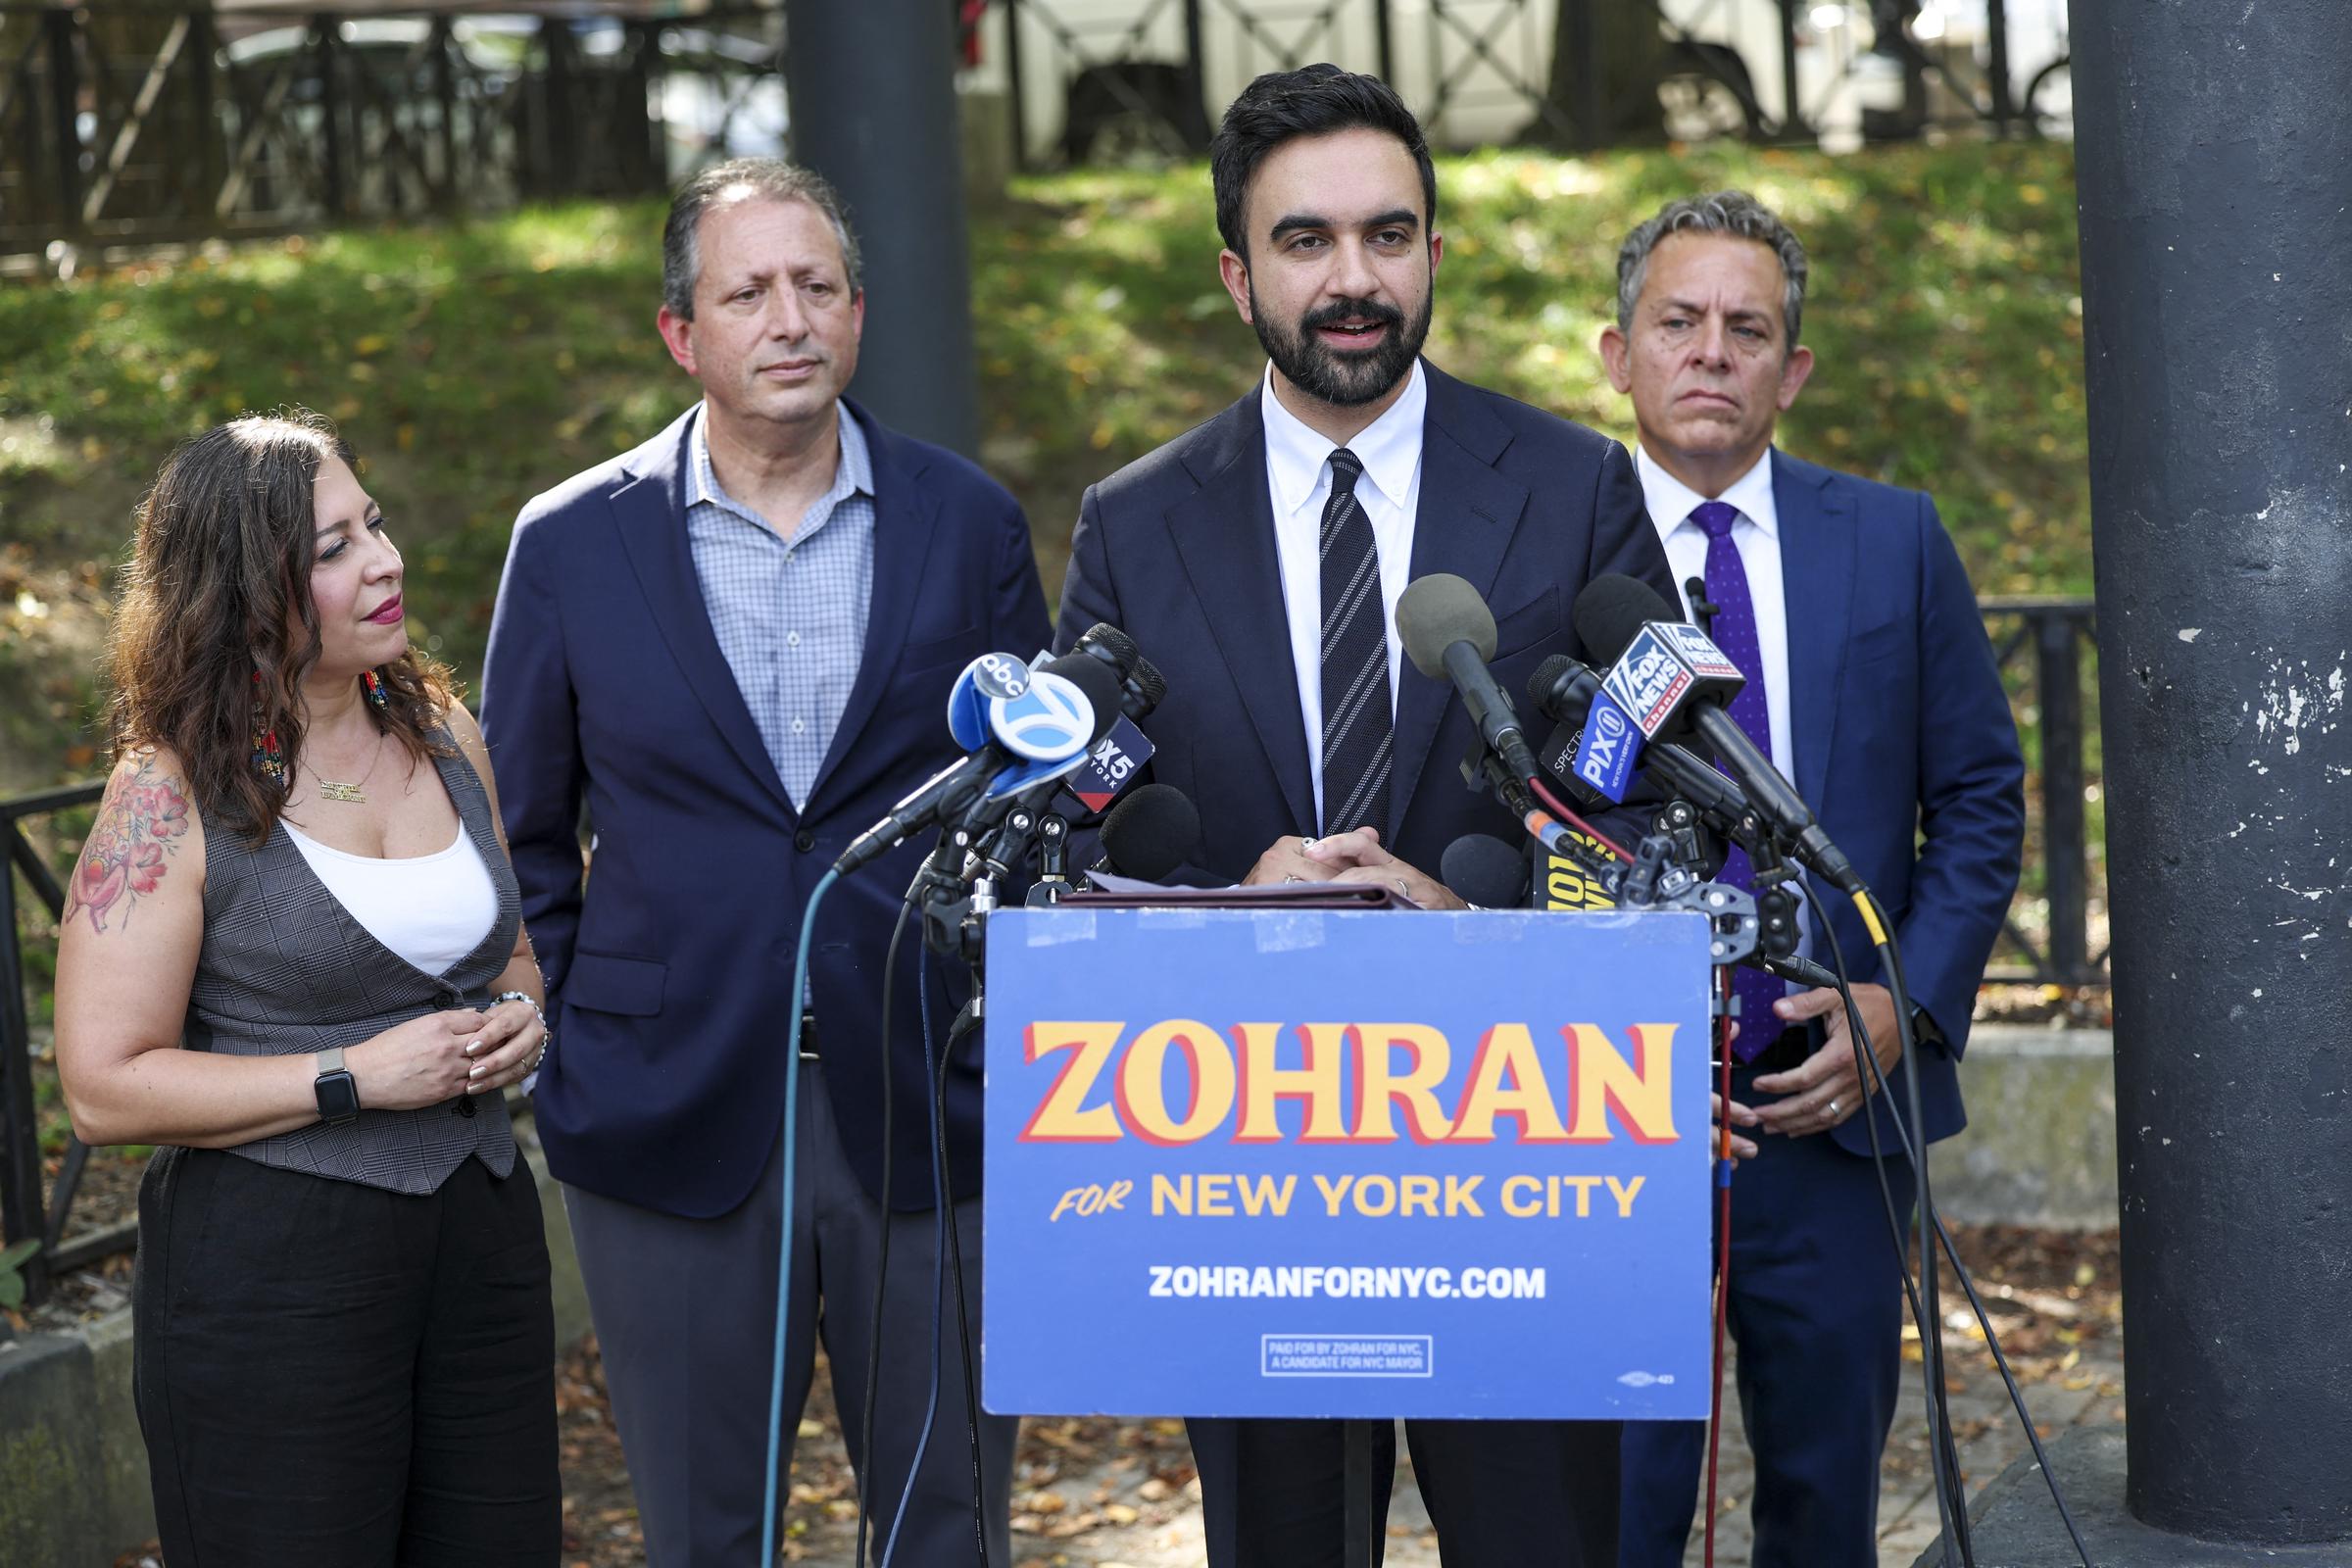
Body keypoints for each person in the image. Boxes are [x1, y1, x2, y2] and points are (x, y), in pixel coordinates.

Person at [1054, 64, 1678, 1568]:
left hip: (1520, 1144)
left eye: (1388, 238)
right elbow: (1083, 825)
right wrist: (1227, 902)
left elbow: (1652, 802)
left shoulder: (1578, 486)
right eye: (1307, 241)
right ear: (1236, 272)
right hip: (1247, 1155)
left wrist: (1484, 921)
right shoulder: (1135, 523)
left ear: (1436, 254)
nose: (1353, 281)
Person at [479, 158, 1050, 1566]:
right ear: (684, 333)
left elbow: (1035, 804)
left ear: (858, 314)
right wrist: (568, 1049)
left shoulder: (965, 521)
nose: (787, 318)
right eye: (748, 292)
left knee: (945, 1526)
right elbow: (521, 836)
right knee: (702, 1536)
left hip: (926, 1106)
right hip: (667, 1116)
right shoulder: (569, 545)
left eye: (817, 286)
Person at [1597, 191, 2026, 1568]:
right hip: (1606, 1118)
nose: (1712, 353)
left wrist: (1906, 999)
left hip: (1832, 1115)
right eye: (1680, 323)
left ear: (1796, 371)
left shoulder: (1892, 541)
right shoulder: (1547, 545)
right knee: (1613, 1509)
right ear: (1618, 354)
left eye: (1749, 328)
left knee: (1825, 1502)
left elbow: (1977, 799)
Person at [54, 411, 562, 1566]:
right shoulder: (166, 791)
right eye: (332, 547)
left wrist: (522, 1017)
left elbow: (513, 952)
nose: (382, 559)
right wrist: (352, 1077)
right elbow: (102, 1086)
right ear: (243, 587)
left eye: (372, 524)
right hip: (274, 1271)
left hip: (482, 1242)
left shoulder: (442, 733)